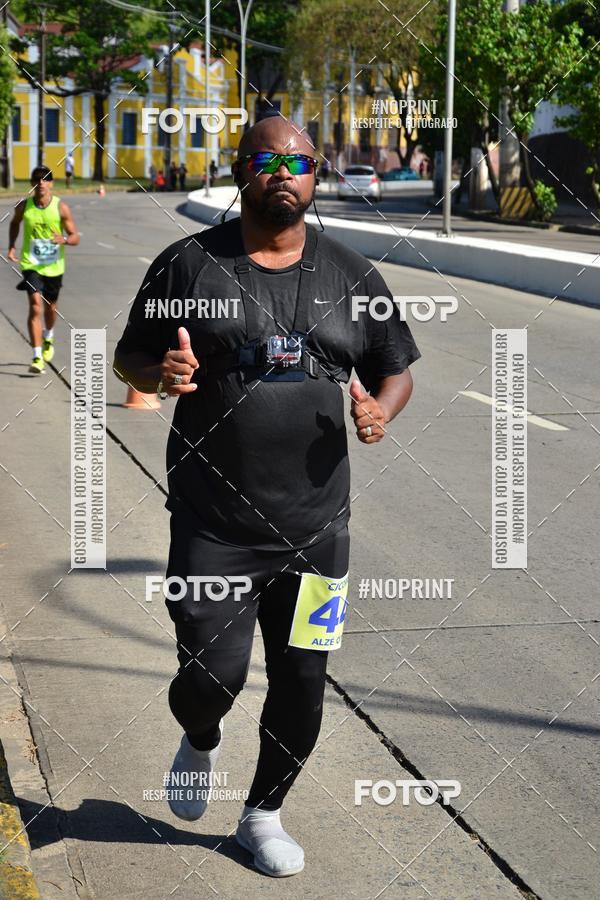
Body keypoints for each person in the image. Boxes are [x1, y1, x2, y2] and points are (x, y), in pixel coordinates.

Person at [113, 116, 420, 878]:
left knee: (305, 682)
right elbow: (131, 354)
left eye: (300, 162)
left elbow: (397, 365)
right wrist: (161, 378)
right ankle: (202, 736)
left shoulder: (352, 274)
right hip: (213, 524)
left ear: (317, 177)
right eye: (267, 159)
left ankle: (263, 814)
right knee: (209, 675)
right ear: (242, 169)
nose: (285, 172)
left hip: (319, 532)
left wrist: (382, 407)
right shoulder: (187, 265)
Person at [8, 166, 79, 373]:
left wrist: (64, 239)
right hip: (31, 264)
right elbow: (14, 223)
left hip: (54, 266)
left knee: (51, 308)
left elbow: (75, 237)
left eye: (45, 179)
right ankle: (37, 356)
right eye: (37, 179)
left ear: (51, 183)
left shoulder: (61, 208)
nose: (41, 183)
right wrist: (12, 244)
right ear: (32, 184)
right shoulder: (23, 206)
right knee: (35, 305)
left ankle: (49, 336)